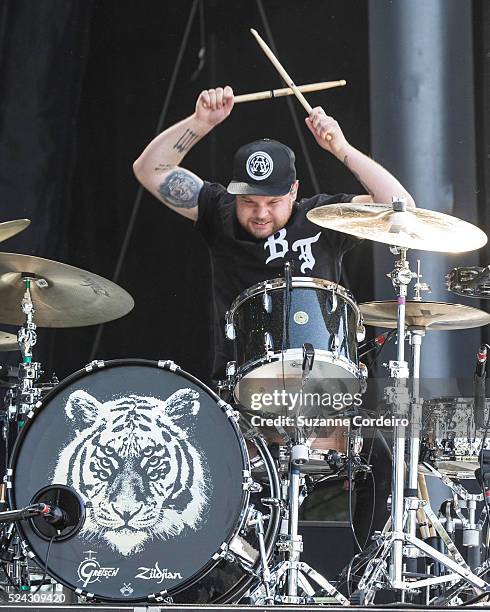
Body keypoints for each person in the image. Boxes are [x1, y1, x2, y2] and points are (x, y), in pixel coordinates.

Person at [133, 85, 414, 544]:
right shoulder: (219, 212)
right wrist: (200, 123)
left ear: (295, 191)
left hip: (326, 384)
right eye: (250, 202)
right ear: (235, 194)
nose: (260, 214)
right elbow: (149, 170)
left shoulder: (324, 217)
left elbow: (401, 206)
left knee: (380, 456)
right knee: (212, 472)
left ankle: (363, 572)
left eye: (272, 202)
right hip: (245, 383)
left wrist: (341, 149)